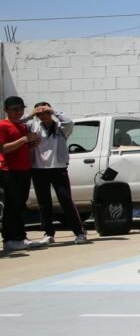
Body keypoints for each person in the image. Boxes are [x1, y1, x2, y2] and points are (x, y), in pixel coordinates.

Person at [25, 102, 87, 244]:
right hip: (39, 170)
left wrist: (53, 110)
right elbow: (19, 123)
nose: (43, 116)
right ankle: (48, 233)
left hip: (58, 169)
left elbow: (69, 122)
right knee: (44, 203)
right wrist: (31, 114)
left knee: (65, 200)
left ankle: (79, 232)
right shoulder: (33, 126)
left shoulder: (60, 127)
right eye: (40, 114)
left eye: (46, 112)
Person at [0, 96, 46, 251]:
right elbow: (3, 148)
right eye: (15, 109)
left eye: (21, 109)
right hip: (9, 170)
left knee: (20, 204)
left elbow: (22, 148)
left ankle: (20, 236)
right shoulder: (3, 125)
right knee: (12, 204)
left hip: (24, 169)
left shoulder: (22, 126)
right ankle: (9, 239)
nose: (19, 112)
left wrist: (32, 144)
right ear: (6, 110)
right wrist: (24, 140)